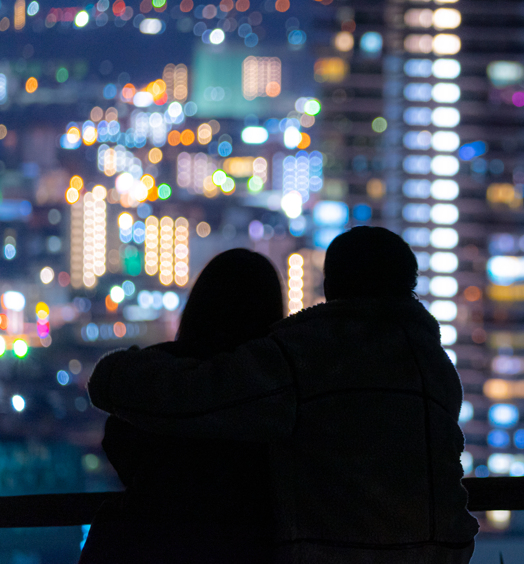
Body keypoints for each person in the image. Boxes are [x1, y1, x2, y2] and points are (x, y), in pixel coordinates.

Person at [88, 226, 479, 564]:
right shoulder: (435, 367)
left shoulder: (307, 356)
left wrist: (115, 373)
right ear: (408, 287)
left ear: (331, 287)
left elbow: (189, 397)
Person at [81, 248, 282, 564]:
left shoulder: (156, 374)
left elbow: (118, 439)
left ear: (198, 305)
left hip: (147, 543)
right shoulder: (277, 391)